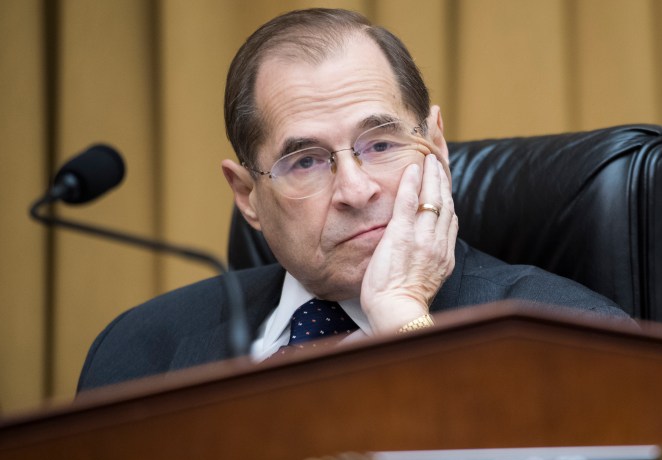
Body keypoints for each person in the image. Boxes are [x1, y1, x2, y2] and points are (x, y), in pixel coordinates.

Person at [78, 8, 631, 391]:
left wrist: (402, 318)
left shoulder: (571, 337)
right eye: (307, 161)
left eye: (381, 144)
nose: (355, 190)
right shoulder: (138, 349)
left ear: (435, 145)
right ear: (247, 195)